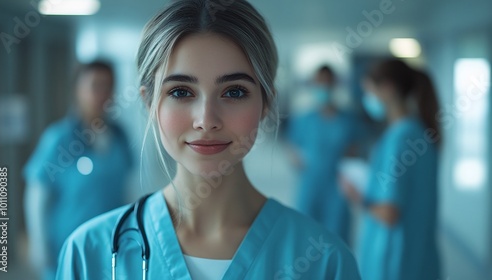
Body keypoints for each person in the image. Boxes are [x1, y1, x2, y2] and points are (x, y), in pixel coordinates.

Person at [55, 1, 361, 279]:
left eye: (234, 92)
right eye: (180, 92)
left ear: (265, 104)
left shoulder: (325, 262)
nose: (206, 120)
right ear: (149, 104)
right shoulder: (88, 254)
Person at [23, 61, 133, 280]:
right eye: (95, 86)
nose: (102, 94)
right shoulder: (59, 138)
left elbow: (128, 188)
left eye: (108, 86)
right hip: (66, 247)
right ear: (78, 90)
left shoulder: (120, 136)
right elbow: (37, 195)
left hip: (111, 246)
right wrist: (39, 245)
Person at [342, 59, 441, 280]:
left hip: (394, 263)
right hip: (420, 260)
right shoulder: (419, 132)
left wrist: (355, 194)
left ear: (387, 89)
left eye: (369, 91)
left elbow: (389, 213)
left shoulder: (399, 139)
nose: (368, 99)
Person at [285, 65, 359, 243]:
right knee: (306, 239)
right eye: (319, 82)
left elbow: (354, 154)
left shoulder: (348, 121)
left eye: (327, 82)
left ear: (334, 84)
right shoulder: (304, 120)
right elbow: (292, 151)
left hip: (337, 192)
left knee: (336, 241)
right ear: (312, 85)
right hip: (310, 188)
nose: (323, 87)